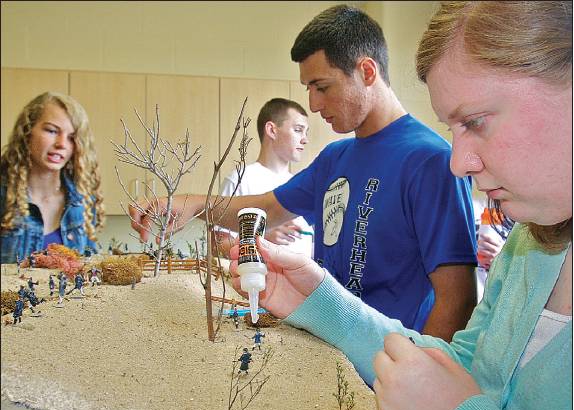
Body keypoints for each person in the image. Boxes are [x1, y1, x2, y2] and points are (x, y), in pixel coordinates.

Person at [227, 2, 572, 410]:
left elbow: (454, 311)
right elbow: (465, 363)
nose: (459, 162)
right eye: (454, 129)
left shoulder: (423, 161)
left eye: (476, 122)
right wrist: (320, 300)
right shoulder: (527, 246)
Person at [130, 5, 478, 341]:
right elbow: (265, 209)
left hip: (389, 363)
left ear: (367, 72)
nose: (313, 104)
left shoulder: (431, 161)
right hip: (328, 349)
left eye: (322, 87)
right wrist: (192, 205)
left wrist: (419, 373)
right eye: (308, 89)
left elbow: (457, 298)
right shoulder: (334, 158)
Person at [0, 92, 105, 263]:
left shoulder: (83, 201)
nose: (62, 144)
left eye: (72, 138)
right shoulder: (4, 196)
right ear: (27, 132)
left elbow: (88, 267)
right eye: (51, 131)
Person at [215, 98, 314, 258]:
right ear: (272, 130)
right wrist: (262, 239)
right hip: (256, 281)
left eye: (306, 132)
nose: (305, 139)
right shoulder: (240, 180)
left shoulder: (302, 185)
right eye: (298, 130)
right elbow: (217, 244)